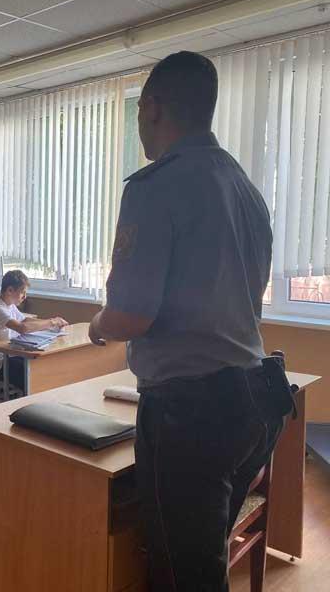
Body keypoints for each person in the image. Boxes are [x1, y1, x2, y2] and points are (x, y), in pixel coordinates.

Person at [87, 52, 283, 592]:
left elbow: (131, 314)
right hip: (253, 400)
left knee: (182, 576)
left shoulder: (154, 187)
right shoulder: (246, 190)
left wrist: (98, 324)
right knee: (202, 561)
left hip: (190, 414)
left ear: (151, 108)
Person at [0, 270, 67, 392]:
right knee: (32, 374)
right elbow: (22, 328)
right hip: (1, 363)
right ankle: (30, 400)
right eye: (22, 292)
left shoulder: (9, 305)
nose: (25, 297)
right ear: (10, 290)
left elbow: (25, 320)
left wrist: (52, 324)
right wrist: (51, 322)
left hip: (14, 354)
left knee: (41, 364)